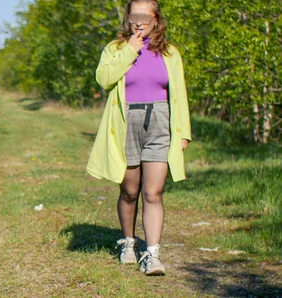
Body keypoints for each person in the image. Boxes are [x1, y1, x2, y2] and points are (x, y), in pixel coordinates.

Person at [86, 0, 191, 276]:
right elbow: (104, 79)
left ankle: (152, 254)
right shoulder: (116, 49)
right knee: (130, 191)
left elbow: (179, 95)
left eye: (146, 16)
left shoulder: (170, 53)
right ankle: (129, 243)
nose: (139, 21)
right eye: (134, 16)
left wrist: (184, 132)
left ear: (156, 20)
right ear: (128, 19)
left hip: (160, 122)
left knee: (153, 192)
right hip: (126, 122)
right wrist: (130, 50)